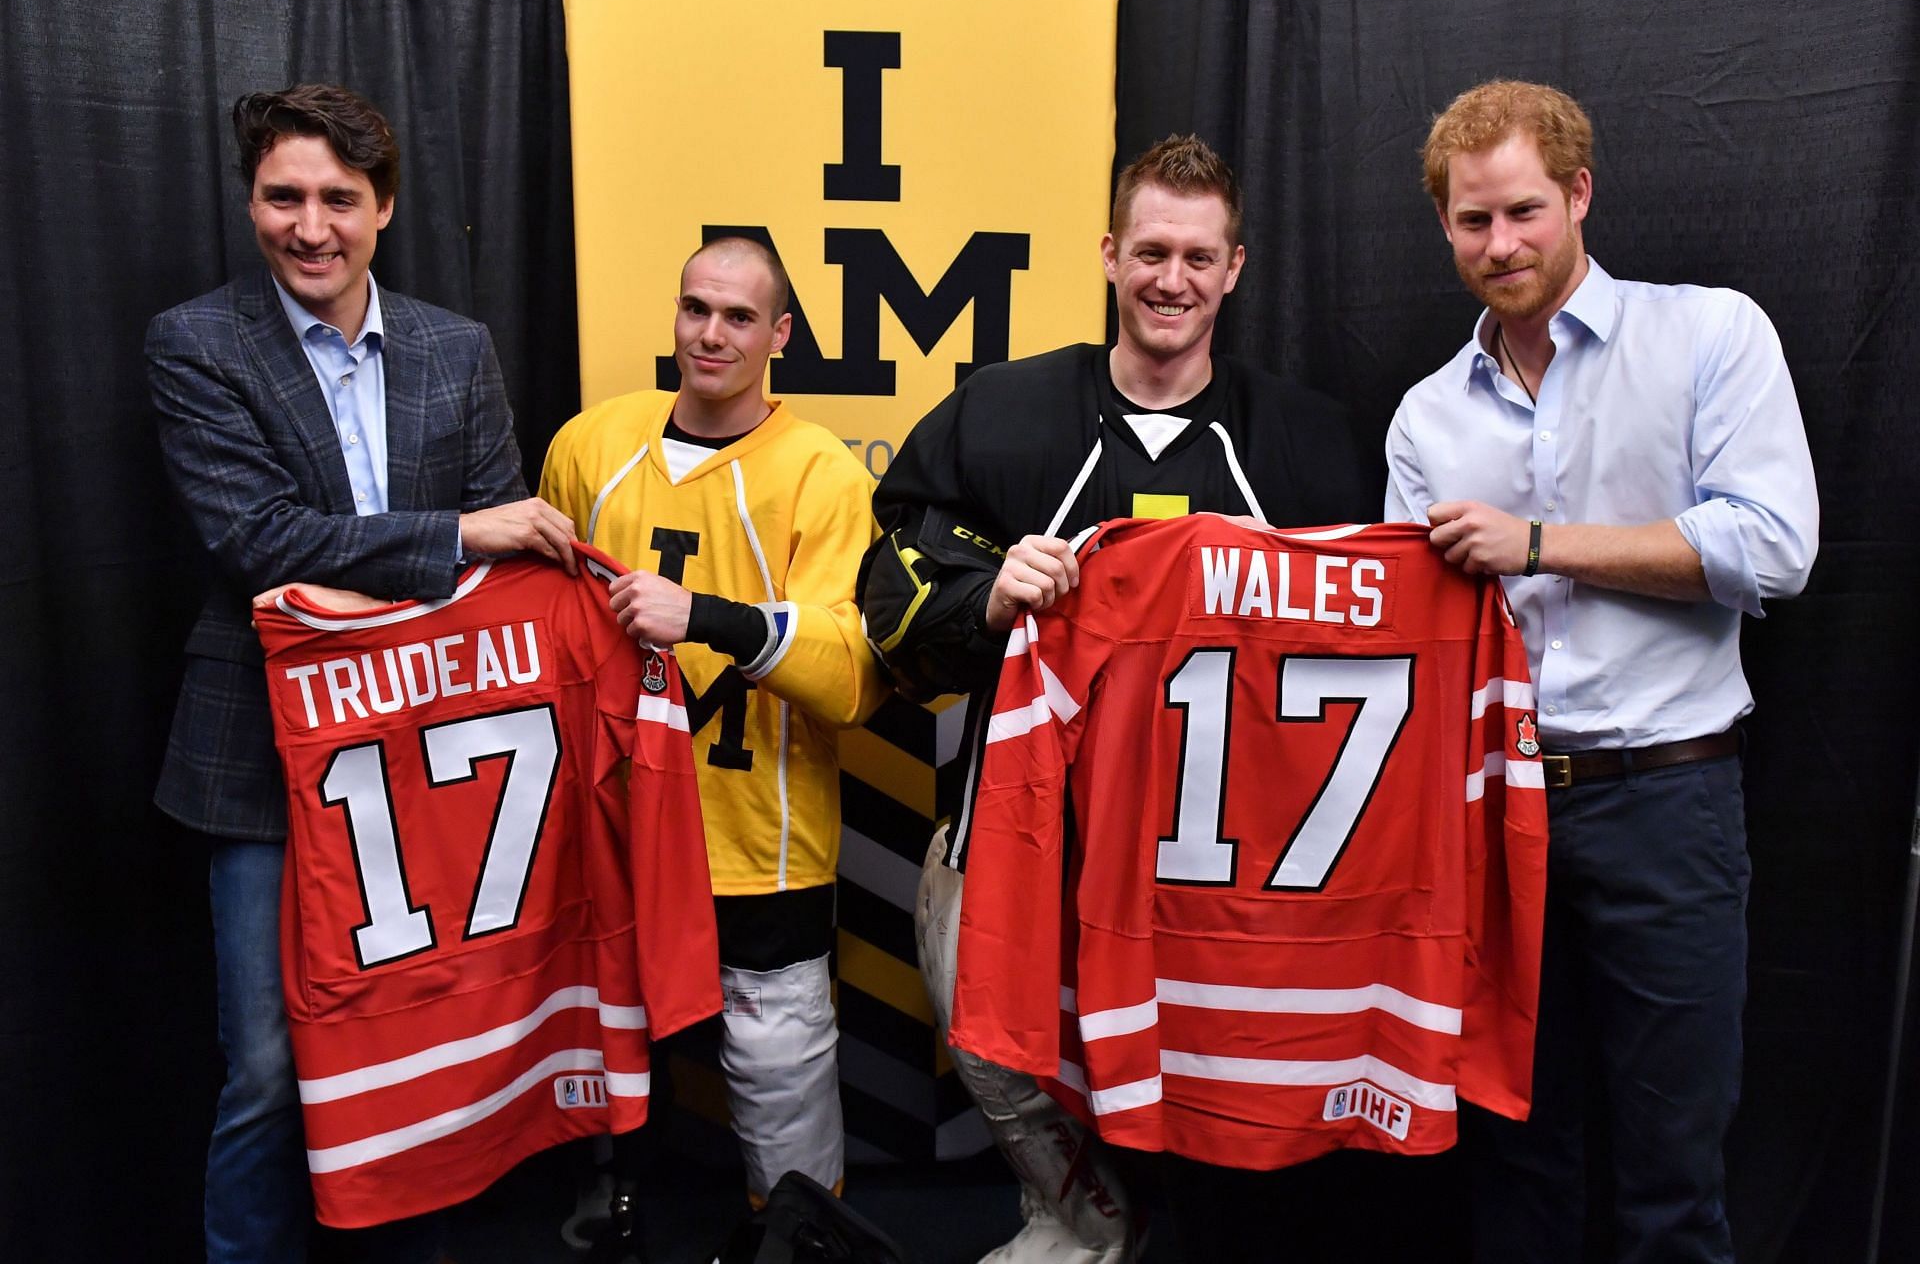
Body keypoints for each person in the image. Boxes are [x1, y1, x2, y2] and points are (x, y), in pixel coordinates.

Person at [859, 134, 1377, 1264]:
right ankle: (1082, 1222)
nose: (1172, 279)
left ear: (1235, 268)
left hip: (1217, 869)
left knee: (1213, 1102)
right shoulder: (1000, 412)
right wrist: (986, 591)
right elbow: (888, 579)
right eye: (1150, 250)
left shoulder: (1306, 441)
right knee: (995, 1038)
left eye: (1198, 256)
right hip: (1019, 836)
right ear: (1108, 254)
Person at [1385, 80, 1819, 1262]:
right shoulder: (1427, 417)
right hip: (1497, 815)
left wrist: (1533, 544)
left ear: (1579, 194)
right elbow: (1411, 643)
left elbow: (1773, 548)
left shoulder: (1709, 334)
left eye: (1524, 211)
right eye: (1473, 222)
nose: (1502, 244)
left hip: (1666, 803)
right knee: (1518, 1157)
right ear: (1444, 226)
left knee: (1674, 1167)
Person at [148, 84, 578, 1262]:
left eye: (339, 198)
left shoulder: (456, 346)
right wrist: (453, 536)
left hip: (432, 752)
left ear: (383, 207)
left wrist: (501, 563)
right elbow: (260, 541)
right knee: (268, 1067)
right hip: (259, 754)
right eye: (283, 197)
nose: (310, 225)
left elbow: (504, 563)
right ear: (251, 204)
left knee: (411, 1045)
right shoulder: (197, 342)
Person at [538, 236, 886, 1214]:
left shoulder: (821, 473)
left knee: (779, 1064)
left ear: (779, 334)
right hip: (611, 820)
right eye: (697, 308)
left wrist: (710, 618)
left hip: (756, 840)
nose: (711, 332)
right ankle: (614, 1199)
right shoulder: (591, 446)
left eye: (739, 316)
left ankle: (798, 1230)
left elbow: (853, 674)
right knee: (601, 1027)